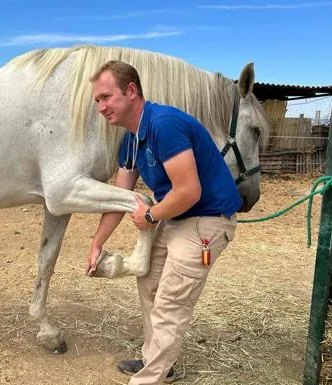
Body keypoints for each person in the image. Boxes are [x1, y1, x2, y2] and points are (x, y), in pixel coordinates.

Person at [86, 60, 240, 384]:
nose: (100, 107)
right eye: (97, 100)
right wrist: (96, 244)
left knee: (171, 299)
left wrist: (151, 215)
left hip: (206, 222)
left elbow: (189, 191)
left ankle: (148, 380)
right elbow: (121, 197)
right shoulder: (131, 139)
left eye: (106, 97)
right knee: (149, 284)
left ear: (131, 91)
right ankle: (157, 364)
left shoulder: (163, 124)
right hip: (176, 217)